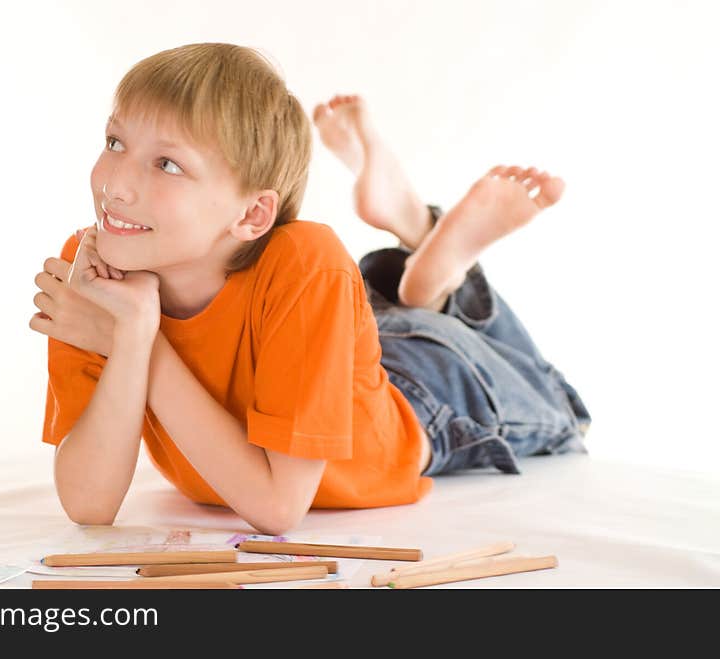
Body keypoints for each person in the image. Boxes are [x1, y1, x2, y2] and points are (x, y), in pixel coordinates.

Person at [29, 43, 590, 535]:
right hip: (330, 346)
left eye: (168, 164)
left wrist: (139, 341)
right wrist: (128, 334)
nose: (115, 184)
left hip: (427, 394)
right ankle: (423, 248)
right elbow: (88, 505)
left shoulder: (307, 259)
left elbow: (277, 507)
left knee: (562, 409)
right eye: (115, 141)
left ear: (252, 213)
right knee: (394, 310)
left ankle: (433, 258)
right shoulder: (97, 267)